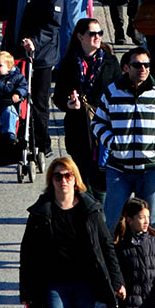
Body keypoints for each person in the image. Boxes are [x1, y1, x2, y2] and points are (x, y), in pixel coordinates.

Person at [19, 156, 125, 308]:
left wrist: (117, 280)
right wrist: (26, 292)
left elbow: (106, 246)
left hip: (84, 283)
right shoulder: (41, 213)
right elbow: (27, 253)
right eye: (58, 176)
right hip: (53, 284)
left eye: (68, 175)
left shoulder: (90, 210)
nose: (64, 180)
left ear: (75, 179)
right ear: (51, 180)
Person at [92, 46, 155, 229]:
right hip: (118, 170)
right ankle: (113, 257)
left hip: (150, 170)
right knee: (113, 223)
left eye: (146, 65)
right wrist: (111, 142)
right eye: (137, 65)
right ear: (127, 67)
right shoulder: (112, 92)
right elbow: (97, 123)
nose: (143, 69)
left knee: (149, 225)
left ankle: (148, 257)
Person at [0, 0, 63, 158]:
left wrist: (34, 41)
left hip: (40, 55)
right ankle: (16, 140)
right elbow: (1, 10)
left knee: (38, 101)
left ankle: (42, 145)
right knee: (11, 98)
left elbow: (53, 25)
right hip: (14, 53)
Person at [53, 17, 119, 196]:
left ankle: (100, 215)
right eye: (92, 33)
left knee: (102, 175)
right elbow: (58, 96)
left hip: (105, 127)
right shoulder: (68, 63)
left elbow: (120, 91)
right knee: (82, 177)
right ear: (80, 36)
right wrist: (67, 103)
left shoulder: (110, 62)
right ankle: (88, 212)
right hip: (78, 127)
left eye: (100, 33)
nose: (97, 37)